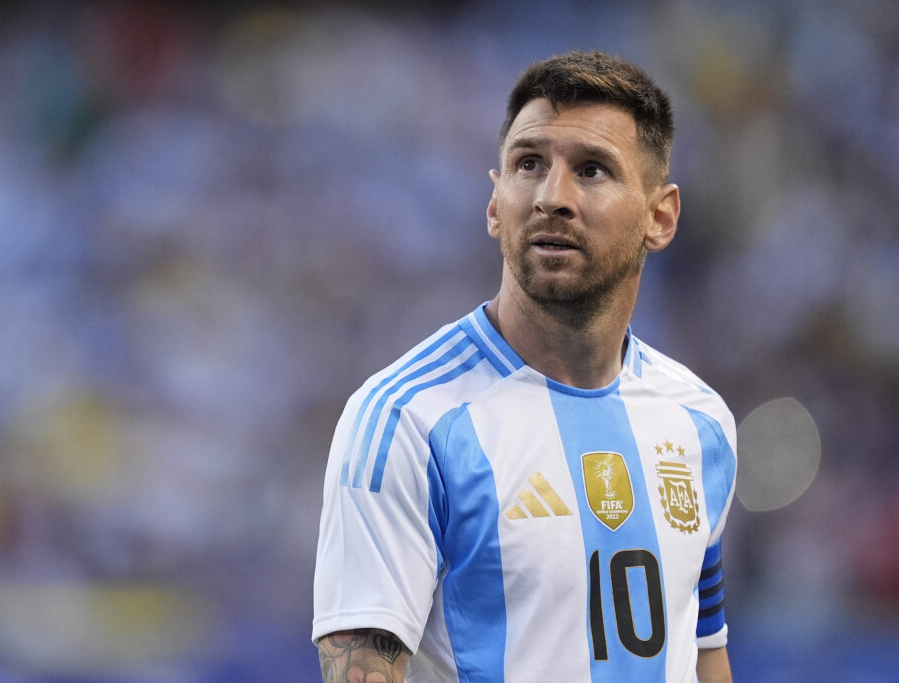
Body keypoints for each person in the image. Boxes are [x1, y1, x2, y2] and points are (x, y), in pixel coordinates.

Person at [312, 50, 736, 682]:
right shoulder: (408, 421)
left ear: (660, 215)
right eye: (529, 164)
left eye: (592, 170)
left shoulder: (700, 422)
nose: (551, 197)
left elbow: (702, 654)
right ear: (494, 202)